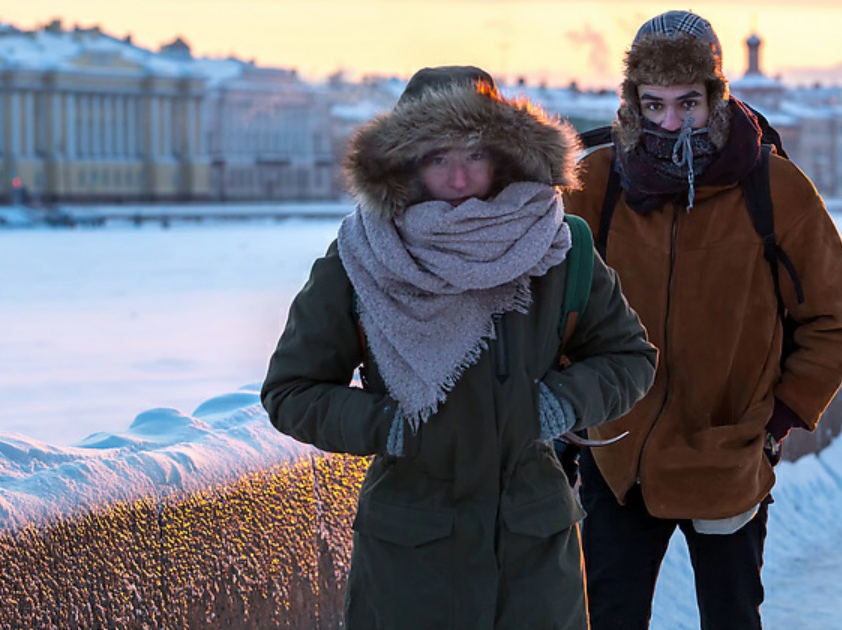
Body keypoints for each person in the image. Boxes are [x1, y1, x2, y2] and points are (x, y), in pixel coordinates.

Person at [261, 66, 658, 629]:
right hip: (412, 560)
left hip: (532, 558)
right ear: (405, 164)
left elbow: (630, 358)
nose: (457, 177)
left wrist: (563, 402)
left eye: (473, 154)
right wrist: (385, 424)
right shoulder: (361, 258)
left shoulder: (556, 248)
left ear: (503, 154)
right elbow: (290, 391)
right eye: (437, 157)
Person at [562, 11, 842, 629]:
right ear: (631, 103)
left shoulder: (773, 187)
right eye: (653, 106)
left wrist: (776, 423)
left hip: (727, 455)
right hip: (620, 458)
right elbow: (552, 306)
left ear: (716, 97)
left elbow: (838, 319)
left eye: (688, 104)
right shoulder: (596, 182)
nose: (670, 123)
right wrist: (573, 405)